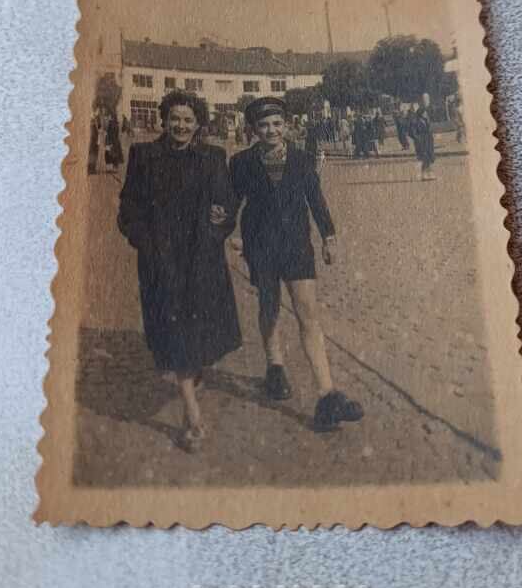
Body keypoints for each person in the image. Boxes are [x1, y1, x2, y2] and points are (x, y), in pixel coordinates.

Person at [117, 89, 242, 452]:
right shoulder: (143, 156)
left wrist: (217, 228)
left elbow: (226, 205)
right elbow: (128, 208)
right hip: (162, 261)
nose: (181, 126)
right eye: (175, 118)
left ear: (199, 124)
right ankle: (192, 416)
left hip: (202, 260)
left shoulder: (213, 157)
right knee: (177, 332)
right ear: (164, 120)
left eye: (188, 120)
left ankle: (190, 376)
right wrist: (145, 242)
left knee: (199, 332)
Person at [230, 96, 363, 434]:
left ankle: (327, 394)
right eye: (263, 125)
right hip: (260, 247)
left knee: (308, 314)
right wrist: (230, 234)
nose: (271, 130)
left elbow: (316, 200)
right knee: (269, 306)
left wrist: (328, 237)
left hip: (296, 247)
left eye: (277, 124)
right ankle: (275, 367)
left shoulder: (302, 159)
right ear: (253, 129)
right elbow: (231, 202)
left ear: (286, 125)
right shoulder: (242, 162)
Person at [409, 93, 436, 180]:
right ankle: (424, 174)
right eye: (424, 113)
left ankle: (429, 173)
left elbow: (429, 128)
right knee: (424, 158)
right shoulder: (416, 119)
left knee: (429, 157)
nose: (426, 114)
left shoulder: (426, 117)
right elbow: (412, 132)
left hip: (428, 140)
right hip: (421, 141)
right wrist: (418, 139)